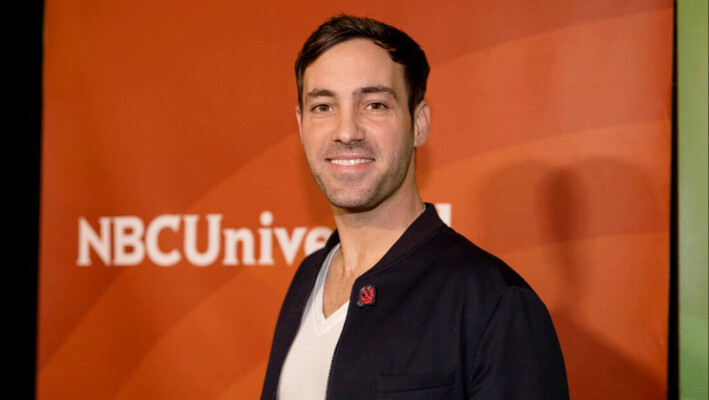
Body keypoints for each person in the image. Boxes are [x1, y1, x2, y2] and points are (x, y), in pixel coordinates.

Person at [261, 15, 568, 400]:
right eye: (323, 106)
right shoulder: (308, 278)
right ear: (301, 124)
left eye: (374, 104)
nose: (346, 131)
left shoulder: (493, 303)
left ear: (418, 124)